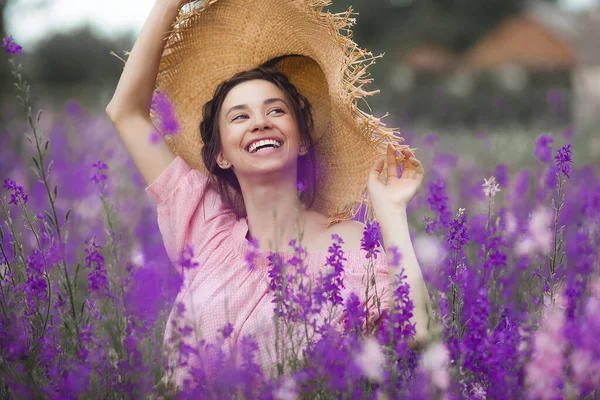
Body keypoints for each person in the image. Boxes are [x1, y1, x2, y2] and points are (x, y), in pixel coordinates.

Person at [106, 0, 431, 391]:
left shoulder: (349, 244)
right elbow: (126, 112)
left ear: (303, 141)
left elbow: (415, 333)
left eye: (276, 111)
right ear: (222, 154)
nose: (259, 122)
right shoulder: (204, 230)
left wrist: (392, 211)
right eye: (239, 116)